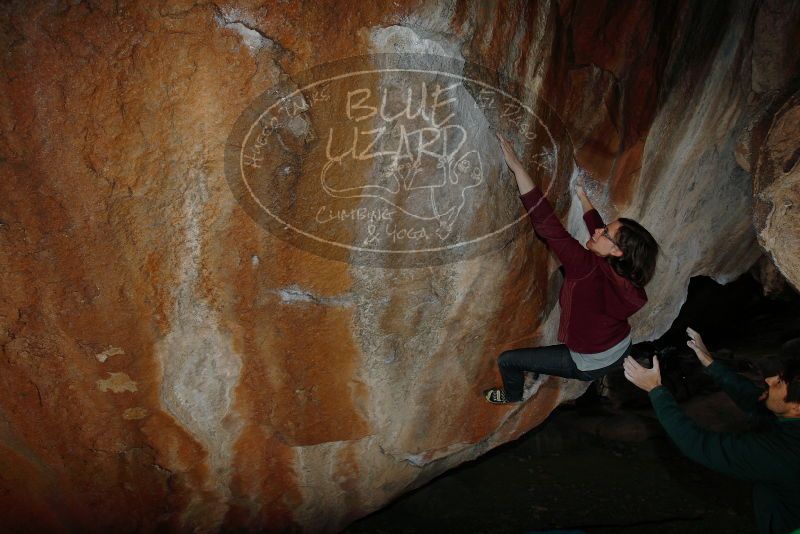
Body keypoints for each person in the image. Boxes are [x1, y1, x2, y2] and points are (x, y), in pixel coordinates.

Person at [484, 133, 659, 404]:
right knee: (581, 270)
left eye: (606, 232)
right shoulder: (628, 273)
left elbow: (548, 225)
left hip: (586, 363)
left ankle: (512, 396)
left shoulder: (585, 267)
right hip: (621, 347)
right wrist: (584, 199)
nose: (599, 230)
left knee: (508, 361)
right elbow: (599, 234)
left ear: (617, 251)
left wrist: (517, 167)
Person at [624, 327, 800, 534]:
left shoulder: (784, 453)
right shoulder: (791, 417)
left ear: (797, 408)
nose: (769, 380)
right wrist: (710, 362)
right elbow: (752, 398)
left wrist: (655, 389)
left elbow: (698, 443)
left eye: (780, 382)